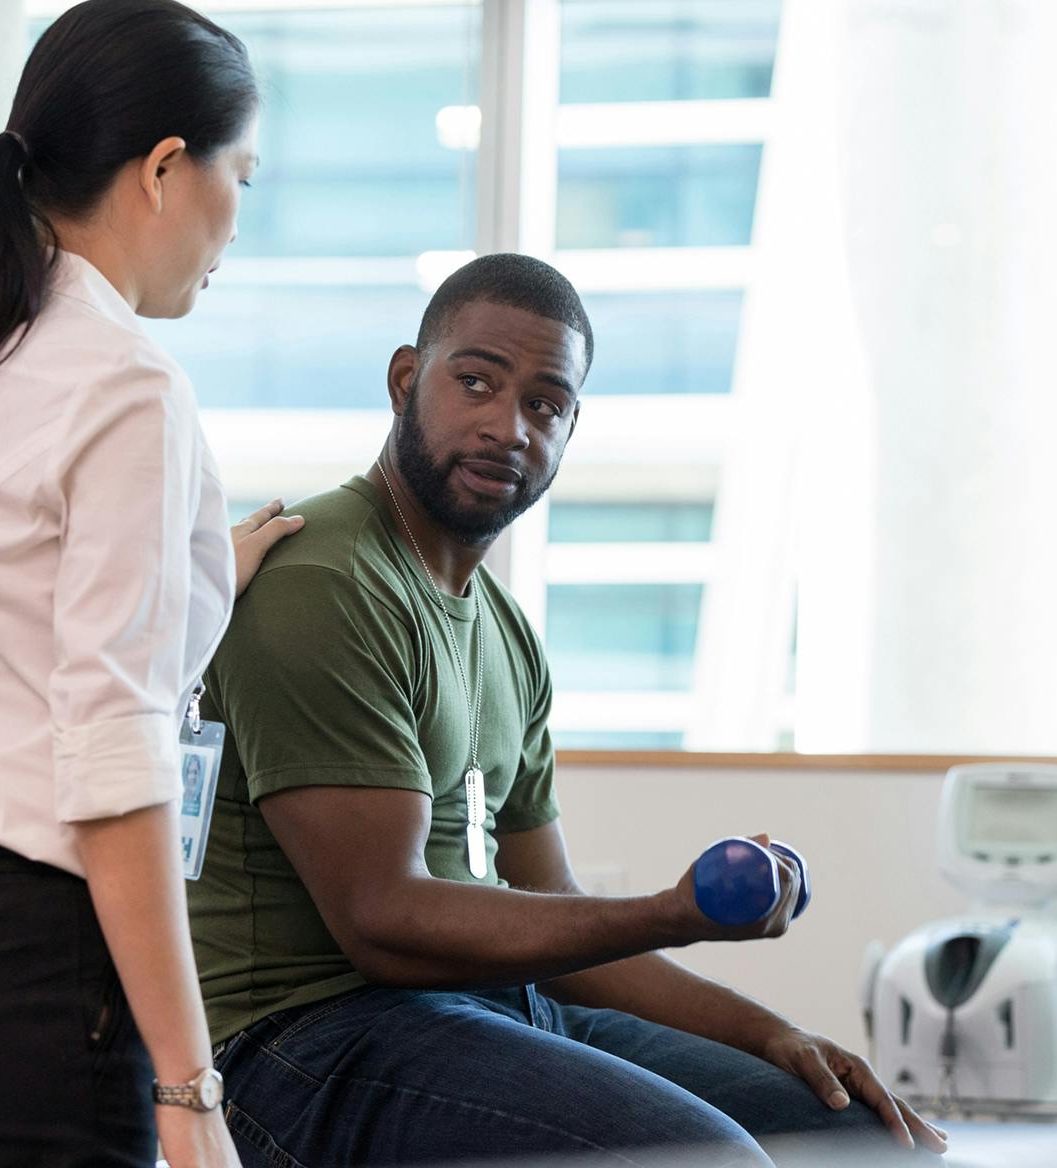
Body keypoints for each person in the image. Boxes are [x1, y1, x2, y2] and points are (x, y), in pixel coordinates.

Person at [188, 253, 950, 1166]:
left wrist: (768, 1032)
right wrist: (675, 912)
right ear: (405, 380)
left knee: (862, 1143)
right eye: (475, 383)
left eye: (545, 405)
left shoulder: (504, 633)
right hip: (302, 1045)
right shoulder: (324, 583)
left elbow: (553, 915)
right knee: (712, 1162)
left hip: (491, 1007)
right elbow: (382, 921)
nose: (507, 427)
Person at [0, 3, 297, 1164]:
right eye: (242, 175)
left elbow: (1, 610)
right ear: (167, 169)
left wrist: (200, 575)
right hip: (18, 964)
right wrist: (192, 1091)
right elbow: (110, 752)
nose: (238, 220)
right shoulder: (128, 384)